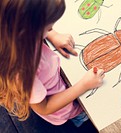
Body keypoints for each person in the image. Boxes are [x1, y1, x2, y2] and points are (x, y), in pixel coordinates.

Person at [0, 0, 105, 131]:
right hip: (64, 108)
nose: (51, 29)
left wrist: (53, 35)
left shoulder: (11, 32)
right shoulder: (22, 72)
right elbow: (44, 107)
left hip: (56, 79)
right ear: (30, 31)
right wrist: (84, 85)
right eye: (49, 27)